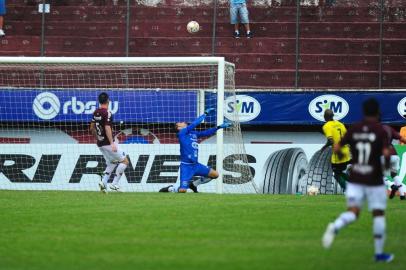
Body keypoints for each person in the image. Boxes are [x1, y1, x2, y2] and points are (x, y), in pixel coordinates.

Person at [322, 98, 394, 263]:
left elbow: (338, 147)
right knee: (378, 215)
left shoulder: (355, 129)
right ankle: (379, 254)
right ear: (377, 112)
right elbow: (387, 152)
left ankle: (335, 226)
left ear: (363, 112)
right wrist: (385, 168)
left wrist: (339, 158)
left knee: (353, 212)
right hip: (373, 178)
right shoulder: (381, 130)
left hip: (356, 178)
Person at [159, 108, 232, 193]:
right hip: (186, 166)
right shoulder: (181, 133)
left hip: (196, 165)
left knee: (215, 175)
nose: (183, 122)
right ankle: (170, 188)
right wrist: (205, 114)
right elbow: (194, 123)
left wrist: (219, 127)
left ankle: (194, 184)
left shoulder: (193, 133)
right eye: (180, 123)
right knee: (182, 190)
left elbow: (206, 133)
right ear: (179, 127)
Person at [90, 92, 129, 192]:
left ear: (99, 101)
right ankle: (114, 184)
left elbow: (92, 128)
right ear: (108, 100)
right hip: (108, 143)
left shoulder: (96, 112)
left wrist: (97, 138)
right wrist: (112, 143)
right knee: (125, 161)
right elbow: (107, 128)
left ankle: (103, 182)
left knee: (112, 163)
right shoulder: (107, 112)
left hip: (100, 144)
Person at [321, 109, 351, 191]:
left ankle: (347, 190)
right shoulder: (340, 124)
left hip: (338, 153)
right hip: (346, 152)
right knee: (340, 172)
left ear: (325, 117)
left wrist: (324, 147)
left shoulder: (326, 126)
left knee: (336, 174)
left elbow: (331, 140)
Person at [382, 124, 406, 200]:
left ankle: (391, 185)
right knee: (394, 174)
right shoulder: (389, 129)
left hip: (383, 154)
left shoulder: (373, 130)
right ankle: (402, 195)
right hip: (394, 154)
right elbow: (402, 139)